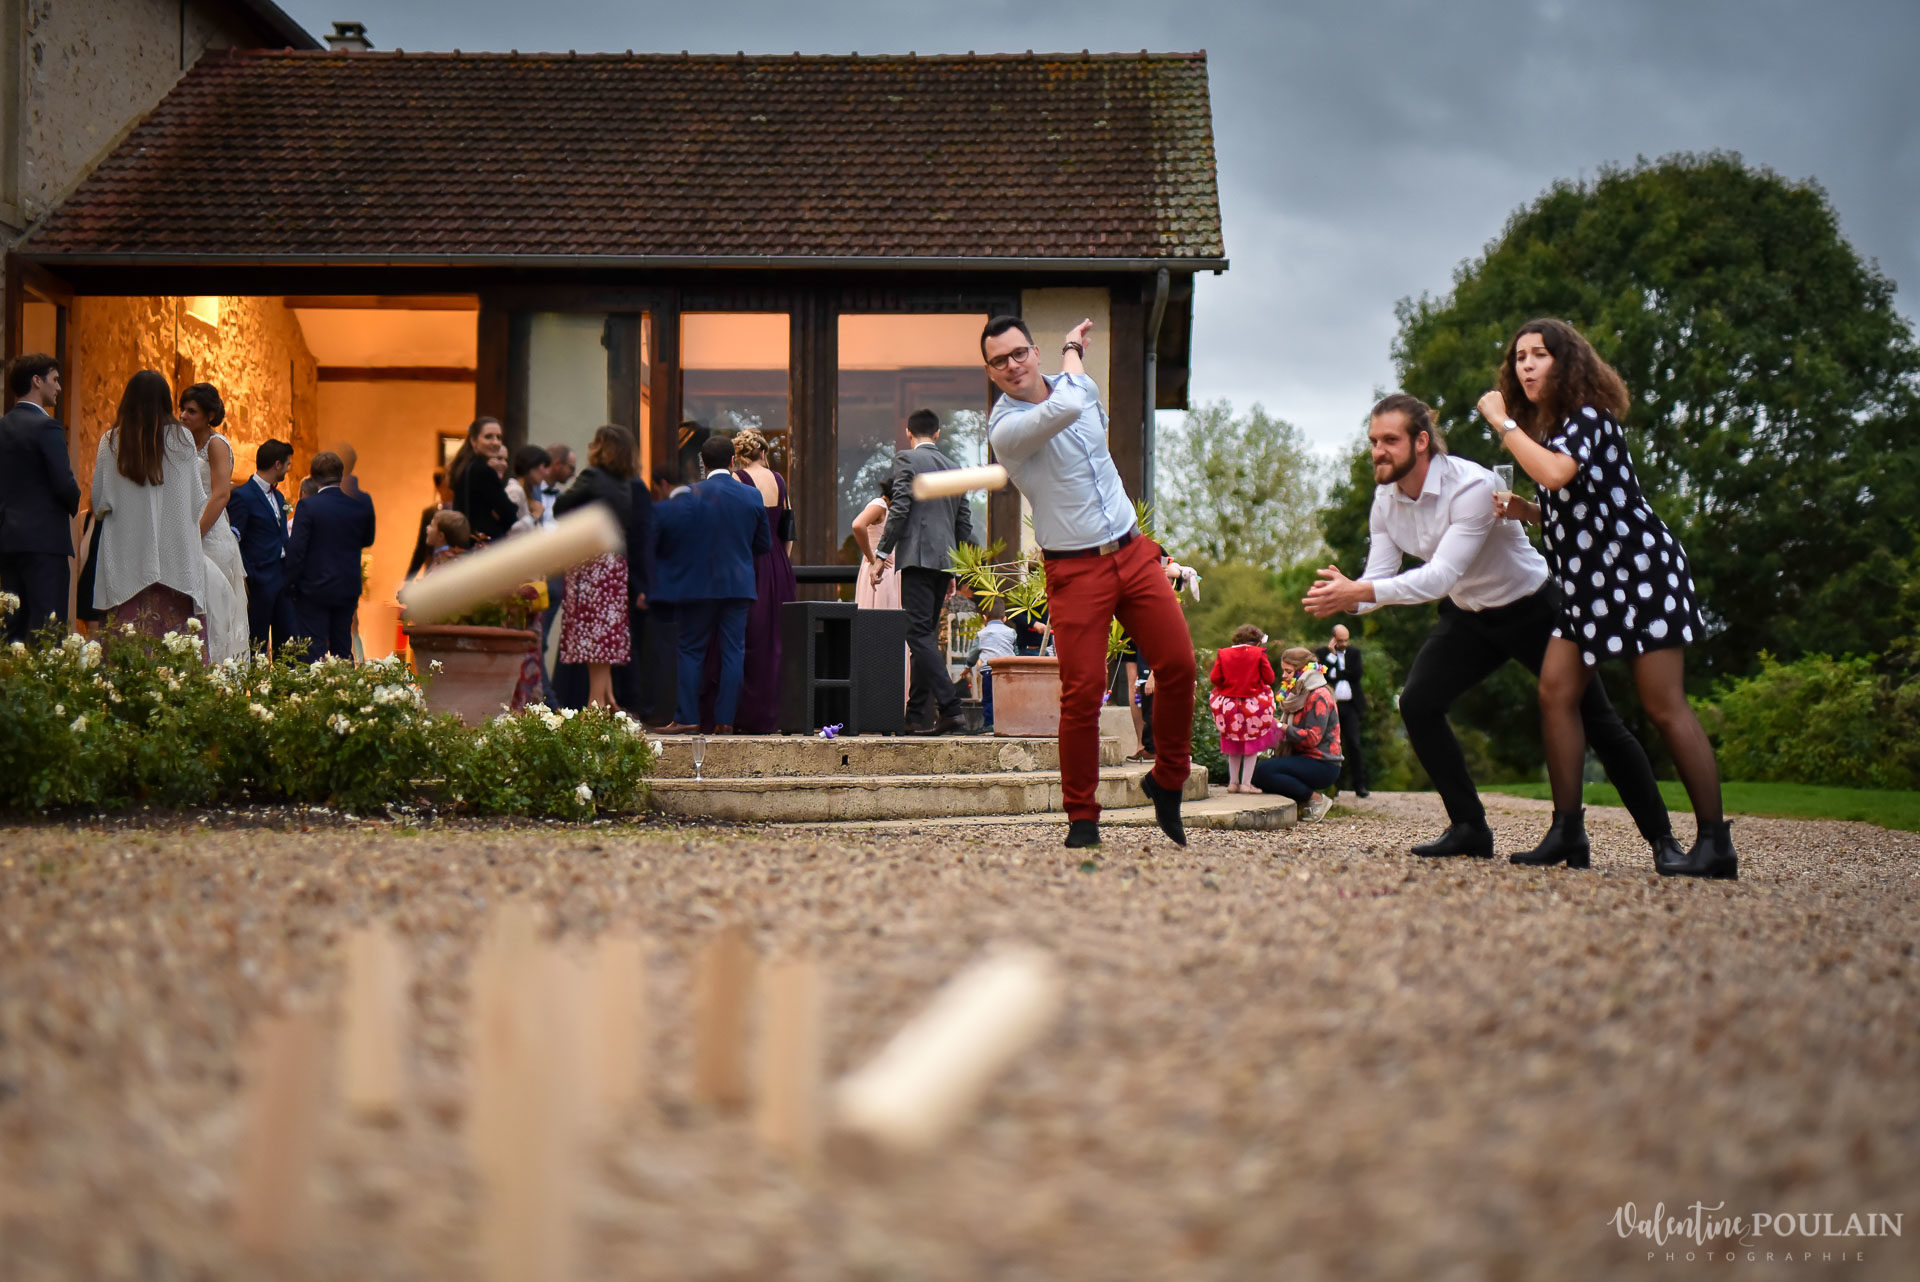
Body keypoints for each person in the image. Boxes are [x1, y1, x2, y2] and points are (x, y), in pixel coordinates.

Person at [1304, 393, 1677, 868]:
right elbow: (1377, 579)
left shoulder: (1472, 486)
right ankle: (1470, 828)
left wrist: (1359, 591)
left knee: (1598, 721)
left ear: (1422, 442)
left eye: (1390, 440)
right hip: (1470, 616)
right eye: (1374, 441)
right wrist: (1349, 595)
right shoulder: (1385, 500)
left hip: (1535, 609)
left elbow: (1439, 577)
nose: (1379, 450)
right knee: (1418, 703)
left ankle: (1663, 841)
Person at [1480, 318, 1734, 879]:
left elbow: (1554, 475)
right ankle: (1568, 830)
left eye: (1539, 354)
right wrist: (1526, 511)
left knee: (1664, 705)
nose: (1526, 365)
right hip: (1588, 586)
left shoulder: (1588, 417)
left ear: (1565, 363)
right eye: (1519, 357)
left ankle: (1716, 842)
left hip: (1640, 574)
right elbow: (1575, 502)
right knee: (1555, 693)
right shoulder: (1555, 429)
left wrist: (1501, 422)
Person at [984, 315, 1196, 849]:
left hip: (1132, 550)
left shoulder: (1077, 383)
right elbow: (1067, 405)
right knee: (1082, 693)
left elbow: (1077, 392)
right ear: (990, 372)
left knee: (1179, 665)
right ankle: (1082, 816)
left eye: (1019, 353)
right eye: (999, 360)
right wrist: (1072, 353)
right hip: (1075, 569)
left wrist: (1073, 354)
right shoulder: (1006, 429)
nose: (1012, 365)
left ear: (1033, 352)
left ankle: (1167, 779)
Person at [651, 434, 768, 734]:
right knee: (733, 652)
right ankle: (725, 720)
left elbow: (674, 538)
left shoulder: (690, 494)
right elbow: (763, 544)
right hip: (738, 584)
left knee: (690, 649)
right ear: (732, 461)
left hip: (697, 585)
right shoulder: (752, 496)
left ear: (702, 462)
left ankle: (687, 717)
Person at [874, 409, 979, 736]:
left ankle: (951, 709)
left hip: (918, 559)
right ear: (937, 433)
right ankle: (915, 716)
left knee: (918, 635)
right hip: (945, 562)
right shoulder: (955, 467)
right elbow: (963, 522)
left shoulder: (906, 459)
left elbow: (900, 507)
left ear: (909, 432)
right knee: (925, 637)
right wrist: (959, 568)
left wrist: (881, 552)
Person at [88, 370, 208, 644]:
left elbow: (99, 502)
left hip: (127, 557)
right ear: (166, 401)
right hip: (175, 557)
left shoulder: (111, 442)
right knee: (175, 650)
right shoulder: (182, 440)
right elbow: (196, 500)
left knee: (126, 648)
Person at [553, 425, 637, 709]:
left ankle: (595, 703)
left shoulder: (592, 476)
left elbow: (560, 507)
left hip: (590, 563)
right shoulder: (626, 483)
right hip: (614, 565)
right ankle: (606, 697)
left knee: (592, 636)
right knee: (606, 634)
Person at [0, 354, 79, 644]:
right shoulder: (47, 427)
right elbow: (64, 483)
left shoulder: (2, 426)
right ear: (37, 381)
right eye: (55, 379)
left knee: (11, 628)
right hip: (45, 543)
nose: (58, 387)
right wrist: (75, 502)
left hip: (8, 541)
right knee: (48, 628)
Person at [175, 383, 249, 664]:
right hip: (185, 528)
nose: (183, 415)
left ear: (209, 416)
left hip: (211, 534)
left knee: (214, 608)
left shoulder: (216, 445)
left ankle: (218, 667)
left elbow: (220, 494)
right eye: (182, 409)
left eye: (191, 411)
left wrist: (195, 535)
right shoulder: (181, 443)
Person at [730, 428, 796, 734]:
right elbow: (789, 529)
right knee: (777, 639)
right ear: (764, 453)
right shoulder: (779, 480)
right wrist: (782, 560)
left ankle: (748, 715)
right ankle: (776, 714)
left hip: (751, 562)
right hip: (779, 563)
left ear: (739, 455)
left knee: (750, 637)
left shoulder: (738, 480)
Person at [285, 451, 375, 661]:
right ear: (341, 476)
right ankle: (344, 681)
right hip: (346, 587)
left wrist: (290, 585)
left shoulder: (308, 506)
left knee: (313, 652)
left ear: (314, 478)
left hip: (314, 589)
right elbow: (367, 539)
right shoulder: (357, 506)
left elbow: (296, 550)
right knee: (342, 648)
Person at [1250, 648, 1341, 821]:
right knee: (1258, 773)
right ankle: (1302, 802)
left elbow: (1312, 738)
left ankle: (1316, 800)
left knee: (1264, 773)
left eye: (1288, 671)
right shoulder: (1297, 693)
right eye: (1283, 670)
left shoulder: (1319, 695)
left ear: (1303, 671)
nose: (1284, 676)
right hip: (1303, 757)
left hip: (1323, 763)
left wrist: (1280, 726)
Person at [226, 439, 297, 657]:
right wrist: (249, 575)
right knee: (258, 642)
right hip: (260, 580)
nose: (289, 469)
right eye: (287, 464)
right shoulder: (243, 496)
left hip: (283, 577)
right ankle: (257, 679)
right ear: (277, 464)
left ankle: (286, 679)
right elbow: (234, 540)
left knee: (288, 642)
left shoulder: (279, 496)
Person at [1209, 625, 1280, 794]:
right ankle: (1246, 784)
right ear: (1257, 642)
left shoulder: (1223, 653)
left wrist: (1229, 686)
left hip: (1229, 705)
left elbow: (1215, 678)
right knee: (1252, 742)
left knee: (1232, 741)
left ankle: (1233, 783)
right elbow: (1269, 678)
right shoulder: (1259, 653)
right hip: (1253, 705)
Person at [1314, 624, 1367, 798]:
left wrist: (1337, 672)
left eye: (1346, 640)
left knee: (1354, 744)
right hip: (1331, 707)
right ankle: (1333, 786)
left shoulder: (1354, 653)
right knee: (1331, 745)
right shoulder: (1322, 654)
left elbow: (1356, 674)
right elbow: (1322, 674)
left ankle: (1359, 785)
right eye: (1340, 640)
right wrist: (1332, 656)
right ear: (1333, 639)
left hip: (1350, 706)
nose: (1344, 644)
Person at [448, 416, 517, 541]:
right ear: (473, 441)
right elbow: (509, 513)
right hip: (483, 543)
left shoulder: (464, 467)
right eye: (488, 437)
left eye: (499, 437)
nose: (495, 442)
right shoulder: (483, 471)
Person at [963, 601, 1019, 729]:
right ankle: (1007, 723)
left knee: (989, 698)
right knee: (1006, 698)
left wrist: (968, 666)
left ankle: (990, 724)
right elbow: (1015, 652)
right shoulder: (1011, 632)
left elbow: (974, 653)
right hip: (1007, 671)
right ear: (1004, 619)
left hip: (989, 671)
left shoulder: (982, 633)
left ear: (984, 618)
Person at [850, 478, 903, 610]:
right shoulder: (880, 505)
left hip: (889, 569)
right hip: (879, 568)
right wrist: (873, 558)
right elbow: (858, 525)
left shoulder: (890, 510)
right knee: (878, 611)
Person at [404, 468, 454, 580]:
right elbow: (421, 547)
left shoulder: (461, 511)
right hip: (433, 570)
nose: (450, 489)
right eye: (445, 485)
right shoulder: (430, 513)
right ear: (438, 487)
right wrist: (408, 579)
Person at [505, 444, 549, 535]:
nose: (546, 473)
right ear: (532, 464)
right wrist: (534, 515)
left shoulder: (527, 492)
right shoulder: (514, 490)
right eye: (544, 466)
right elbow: (511, 530)